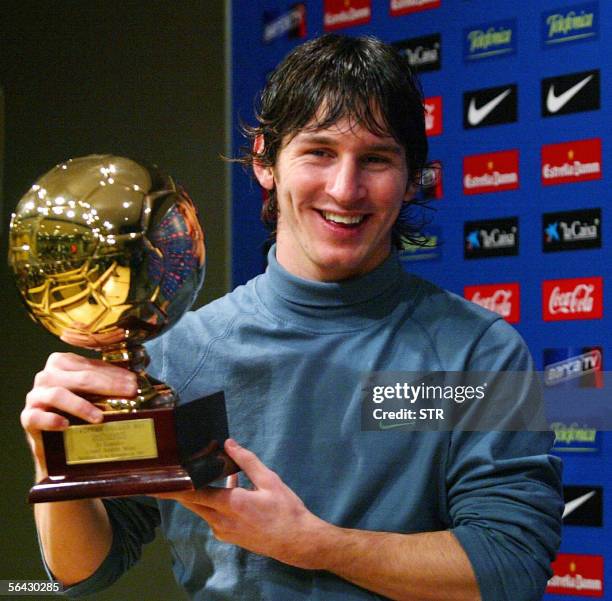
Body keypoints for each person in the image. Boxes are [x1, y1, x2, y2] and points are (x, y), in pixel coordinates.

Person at [22, 34, 562, 601]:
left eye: (376, 159)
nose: (345, 189)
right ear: (264, 161)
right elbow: (84, 571)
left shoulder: (481, 353)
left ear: (411, 178)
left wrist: (313, 543)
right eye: (319, 152)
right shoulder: (179, 351)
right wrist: (55, 466)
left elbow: (510, 566)